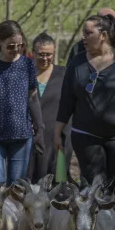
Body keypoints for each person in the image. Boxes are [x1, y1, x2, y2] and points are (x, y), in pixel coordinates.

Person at [54, 14, 115, 188]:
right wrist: (58, 131)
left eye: (88, 33)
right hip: (86, 137)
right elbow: (67, 99)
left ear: (104, 35)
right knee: (93, 191)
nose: (83, 37)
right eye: (83, 33)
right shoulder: (77, 63)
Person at [0, 20, 45, 188]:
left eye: (19, 46)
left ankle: (12, 215)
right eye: (10, 46)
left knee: (16, 187)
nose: (15, 50)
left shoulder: (27, 65)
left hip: (21, 135)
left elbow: (33, 98)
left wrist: (39, 128)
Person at [27, 32, 73, 184]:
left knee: (57, 186)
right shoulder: (25, 74)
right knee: (30, 186)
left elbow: (72, 106)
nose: (45, 58)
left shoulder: (65, 74)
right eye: (41, 54)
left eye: (49, 54)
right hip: (30, 139)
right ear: (32, 52)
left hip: (57, 140)